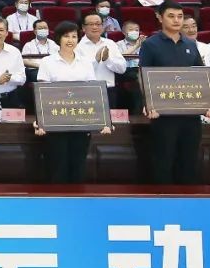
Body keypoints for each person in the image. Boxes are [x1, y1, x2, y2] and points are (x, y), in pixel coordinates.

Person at [139, 0, 210, 184]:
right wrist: (148, 102)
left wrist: (208, 104)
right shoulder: (150, 44)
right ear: (160, 17)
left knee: (188, 160)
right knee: (164, 159)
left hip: (190, 114)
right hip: (163, 114)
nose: (176, 20)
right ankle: (163, 197)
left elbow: (200, 75)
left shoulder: (190, 44)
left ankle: (186, 197)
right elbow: (142, 75)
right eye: (171, 16)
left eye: (180, 16)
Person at [34, 21, 114, 182]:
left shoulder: (85, 62)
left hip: (80, 121)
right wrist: (40, 121)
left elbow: (92, 93)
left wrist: (104, 120)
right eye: (66, 36)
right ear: (58, 38)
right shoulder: (47, 62)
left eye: (74, 36)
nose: (70, 40)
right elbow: (42, 95)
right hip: (56, 121)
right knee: (57, 166)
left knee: (78, 165)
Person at [76, 12, 128, 109]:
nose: (95, 27)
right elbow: (79, 72)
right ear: (83, 27)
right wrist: (96, 60)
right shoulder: (77, 47)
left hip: (108, 91)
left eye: (98, 24)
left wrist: (107, 60)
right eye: (91, 24)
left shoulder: (110, 44)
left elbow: (122, 69)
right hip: (86, 91)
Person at [180, 16, 210, 89]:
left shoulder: (207, 48)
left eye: (194, 26)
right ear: (179, 30)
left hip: (207, 88)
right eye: (186, 27)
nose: (191, 30)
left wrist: (205, 70)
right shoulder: (175, 49)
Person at [115, 20, 146, 115]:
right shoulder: (118, 44)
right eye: (131, 30)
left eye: (137, 30)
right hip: (126, 70)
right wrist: (136, 46)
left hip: (142, 70)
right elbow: (120, 58)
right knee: (138, 78)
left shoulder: (145, 44)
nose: (135, 32)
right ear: (124, 32)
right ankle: (138, 110)